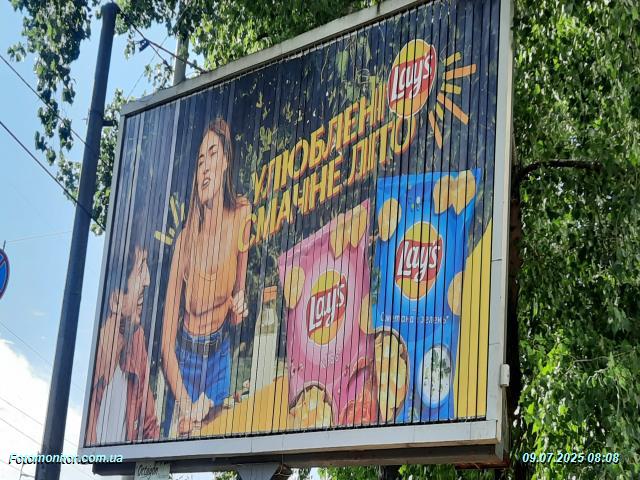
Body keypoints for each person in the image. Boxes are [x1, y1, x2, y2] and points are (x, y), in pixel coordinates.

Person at [161, 118, 251, 436]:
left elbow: (237, 304)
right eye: (200, 161)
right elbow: (165, 345)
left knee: (218, 442)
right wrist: (186, 405)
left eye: (212, 154)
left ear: (226, 161)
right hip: (184, 365)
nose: (205, 168)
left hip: (219, 361)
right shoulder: (185, 241)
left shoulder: (242, 215)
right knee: (178, 443)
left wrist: (240, 306)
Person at [86, 247, 160, 445]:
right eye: (140, 269)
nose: (148, 280)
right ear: (116, 301)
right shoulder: (92, 368)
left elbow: (150, 425)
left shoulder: (136, 340)